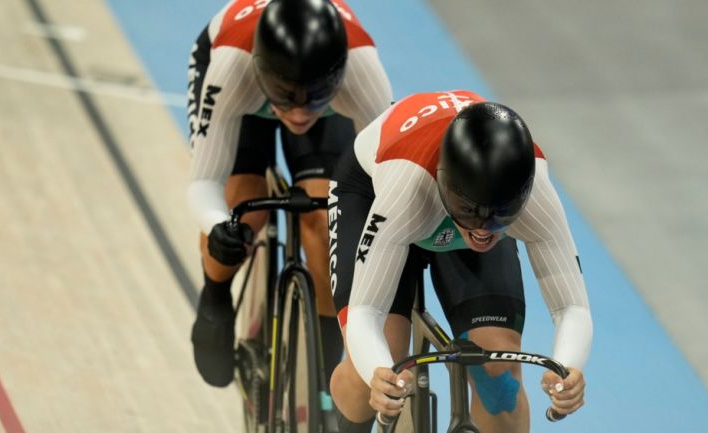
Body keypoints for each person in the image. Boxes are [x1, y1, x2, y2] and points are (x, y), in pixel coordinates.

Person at [327, 90, 593, 433]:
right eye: (471, 214)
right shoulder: (406, 187)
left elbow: (572, 306)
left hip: (466, 195)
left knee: (500, 380)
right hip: (375, 193)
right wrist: (378, 371)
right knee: (380, 366)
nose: (483, 231)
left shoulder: (532, 191)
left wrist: (568, 369)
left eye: (501, 216)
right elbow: (366, 312)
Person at [187, 0, 392, 388]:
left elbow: (383, 178)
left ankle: (322, 364)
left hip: (326, 112)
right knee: (242, 209)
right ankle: (215, 296)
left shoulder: (362, 71)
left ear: (337, 76)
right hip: (243, 100)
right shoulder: (231, 67)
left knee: (324, 222)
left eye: (313, 97)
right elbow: (205, 182)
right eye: (286, 98)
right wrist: (218, 227)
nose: (299, 115)